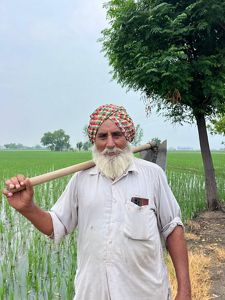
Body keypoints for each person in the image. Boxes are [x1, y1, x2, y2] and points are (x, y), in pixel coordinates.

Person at [3, 104, 192, 300]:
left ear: (128, 137)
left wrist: (185, 291)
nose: (110, 144)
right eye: (103, 136)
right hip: (92, 293)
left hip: (145, 292)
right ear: (94, 140)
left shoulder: (153, 175)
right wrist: (28, 208)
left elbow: (173, 229)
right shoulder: (81, 179)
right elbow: (57, 224)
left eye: (116, 135)